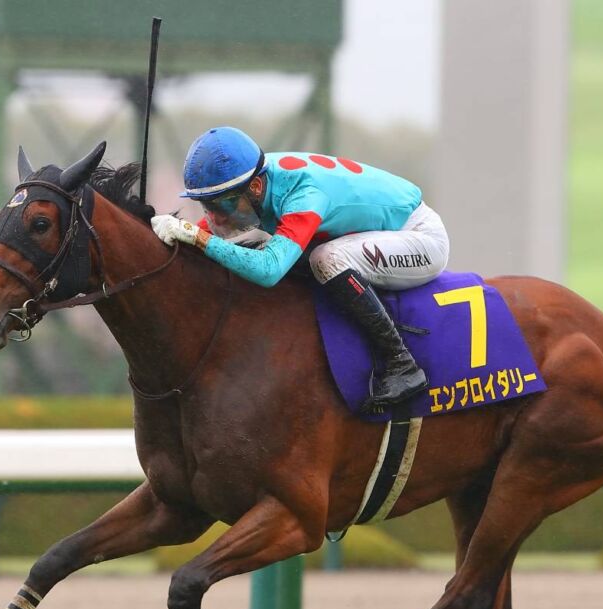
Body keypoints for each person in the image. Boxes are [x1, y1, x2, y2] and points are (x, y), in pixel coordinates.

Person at [151, 126, 449, 410]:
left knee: (325, 259)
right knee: (272, 248)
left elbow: (268, 271)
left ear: (256, 187)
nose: (214, 217)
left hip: (419, 238)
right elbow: (205, 232)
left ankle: (401, 363)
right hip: (374, 234)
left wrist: (198, 238)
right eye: (207, 205)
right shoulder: (254, 179)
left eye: (223, 205)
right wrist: (168, 232)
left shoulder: (303, 195)